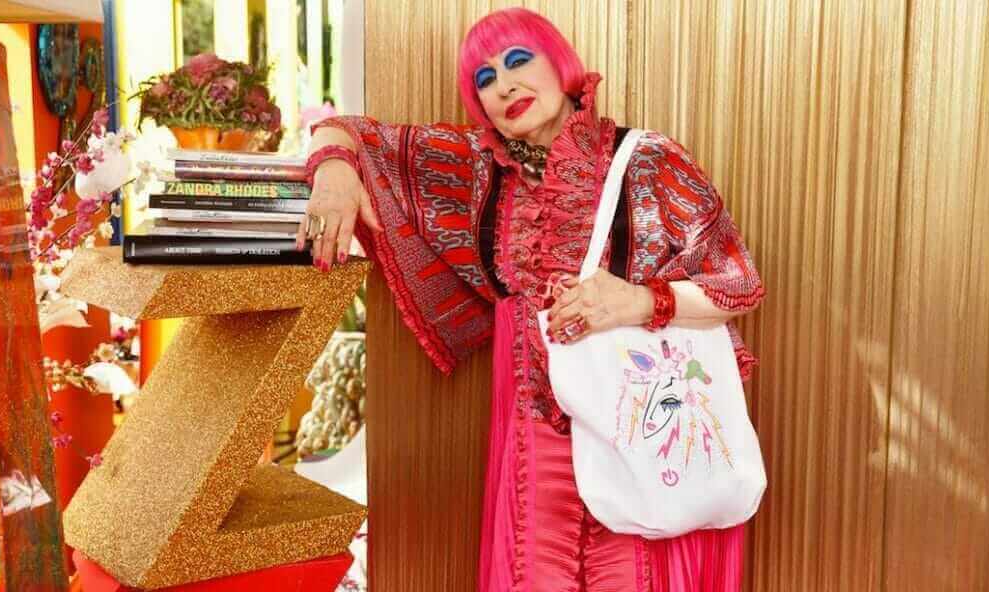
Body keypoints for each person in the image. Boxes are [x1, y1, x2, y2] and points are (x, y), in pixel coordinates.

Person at [296, 7, 764, 591]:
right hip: (534, 440)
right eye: (485, 80)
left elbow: (738, 283)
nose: (505, 84)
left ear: (561, 65)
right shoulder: (481, 172)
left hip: (636, 424)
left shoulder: (648, 160)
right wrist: (334, 170)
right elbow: (356, 135)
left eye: (519, 61)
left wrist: (637, 301)